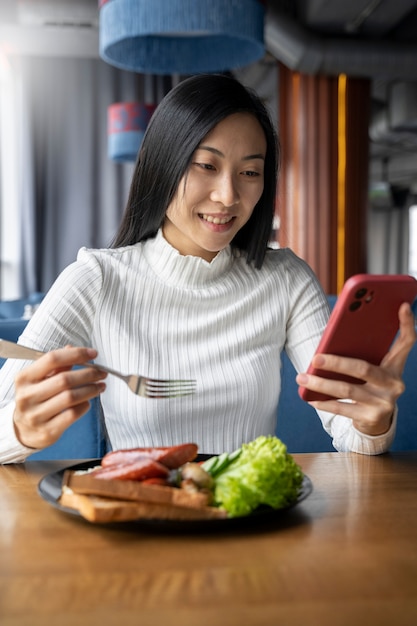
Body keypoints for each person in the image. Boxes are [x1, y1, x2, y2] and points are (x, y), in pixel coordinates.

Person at [0, 74, 415, 463]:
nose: (228, 195)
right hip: (142, 519)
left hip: (252, 518)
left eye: (250, 172)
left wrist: (370, 420)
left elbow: (351, 434)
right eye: (207, 165)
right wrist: (20, 429)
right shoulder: (97, 279)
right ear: (164, 164)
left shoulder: (286, 279)